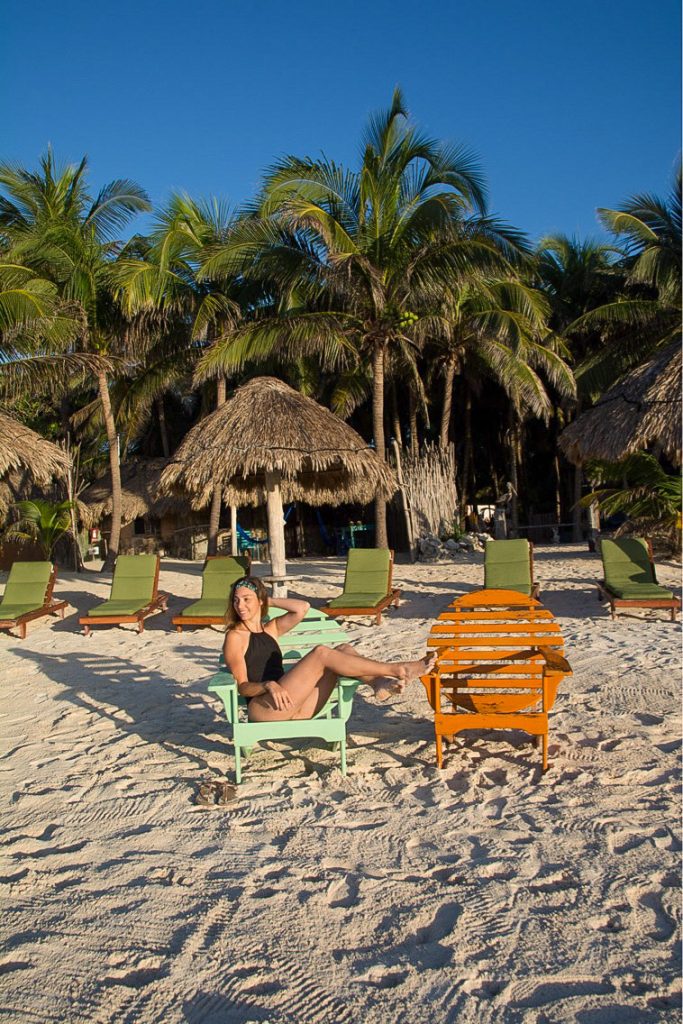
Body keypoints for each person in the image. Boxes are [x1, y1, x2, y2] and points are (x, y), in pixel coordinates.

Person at [223, 576, 436, 723]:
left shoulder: (271, 629)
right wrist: (268, 685)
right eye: (236, 600)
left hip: (296, 706)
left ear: (259, 601)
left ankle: (377, 683)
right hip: (264, 709)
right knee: (321, 653)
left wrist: (264, 599)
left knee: (343, 648)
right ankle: (397, 670)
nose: (240, 605)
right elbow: (242, 687)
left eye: (246, 599)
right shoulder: (235, 636)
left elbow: (302, 608)